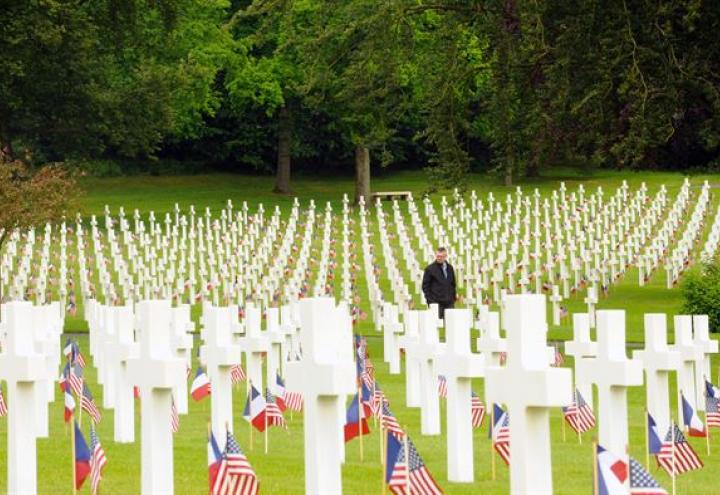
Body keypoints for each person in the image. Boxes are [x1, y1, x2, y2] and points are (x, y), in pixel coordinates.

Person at [422, 247, 456, 319]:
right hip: (436, 303)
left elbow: (453, 284)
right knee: (435, 326)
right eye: (437, 256)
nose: (439, 258)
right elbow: (425, 287)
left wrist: (453, 298)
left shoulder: (450, 268)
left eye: (441, 256)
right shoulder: (430, 269)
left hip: (449, 303)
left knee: (451, 326)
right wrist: (430, 301)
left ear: (445, 256)